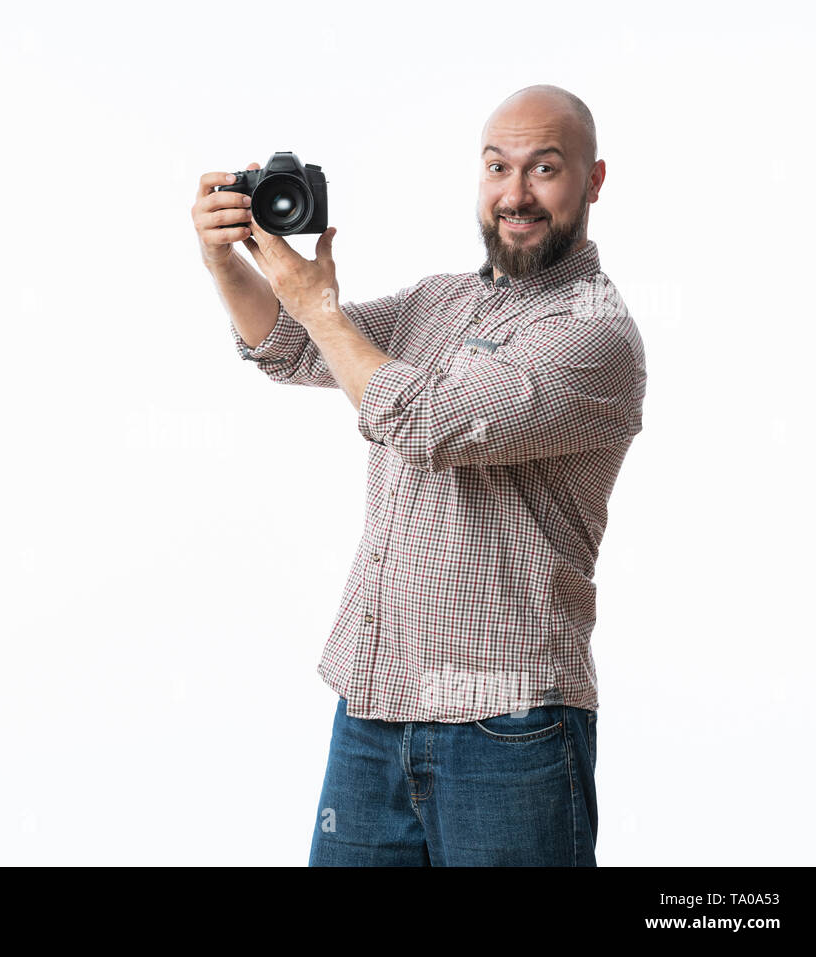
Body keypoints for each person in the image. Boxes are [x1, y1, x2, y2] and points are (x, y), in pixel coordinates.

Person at [190, 84, 647, 866]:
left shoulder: (595, 333)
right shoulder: (439, 302)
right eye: (498, 166)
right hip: (373, 711)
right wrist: (225, 257)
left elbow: (426, 420)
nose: (516, 193)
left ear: (593, 179)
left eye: (545, 168)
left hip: (509, 727)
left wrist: (320, 305)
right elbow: (298, 348)